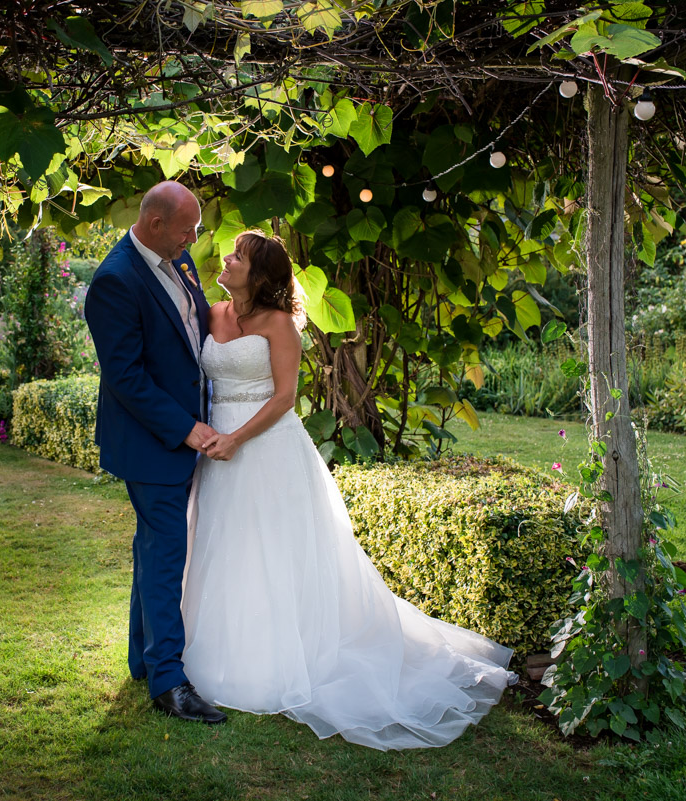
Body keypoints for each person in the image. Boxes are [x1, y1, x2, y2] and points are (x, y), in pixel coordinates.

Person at [181, 230, 516, 749]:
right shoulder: (210, 313)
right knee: (223, 547)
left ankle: (281, 656)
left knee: (273, 551)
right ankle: (214, 648)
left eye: (238, 256)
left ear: (262, 275)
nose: (225, 259)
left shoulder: (279, 325)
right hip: (214, 446)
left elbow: (285, 398)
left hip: (263, 447)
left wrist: (235, 440)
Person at [84, 181, 226, 724]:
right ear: (155, 223)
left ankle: (143, 661)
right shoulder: (114, 281)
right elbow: (125, 376)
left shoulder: (177, 256)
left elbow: (190, 331)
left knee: (154, 549)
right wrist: (186, 428)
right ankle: (169, 681)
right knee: (167, 555)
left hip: (184, 431)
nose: (194, 239)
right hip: (153, 442)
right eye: (187, 229)